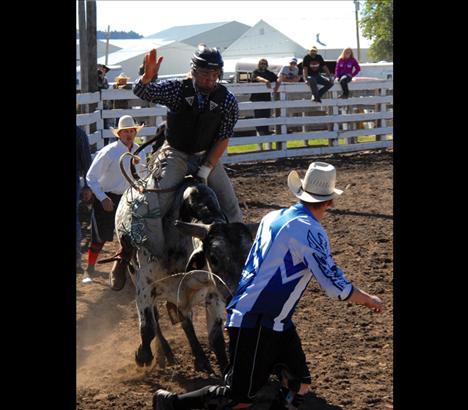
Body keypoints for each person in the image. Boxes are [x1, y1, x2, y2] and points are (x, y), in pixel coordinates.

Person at [152, 161, 384, 410]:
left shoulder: (273, 217)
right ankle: (171, 403)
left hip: (271, 317)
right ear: (330, 201)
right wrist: (369, 299)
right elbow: (334, 286)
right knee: (238, 397)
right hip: (258, 319)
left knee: (299, 383)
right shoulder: (311, 232)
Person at [128, 45, 243, 260]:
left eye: (214, 74)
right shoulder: (177, 89)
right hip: (175, 153)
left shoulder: (227, 101)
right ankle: (155, 257)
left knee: (231, 206)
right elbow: (142, 92)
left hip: (206, 155)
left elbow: (223, 137)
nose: (210, 78)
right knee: (152, 207)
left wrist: (206, 169)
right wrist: (146, 79)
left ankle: (237, 256)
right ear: (194, 71)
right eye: (205, 73)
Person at [83, 115, 147, 284]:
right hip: (108, 197)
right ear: (119, 133)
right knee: (100, 236)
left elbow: (144, 175)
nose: (129, 134)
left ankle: (124, 270)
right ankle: (89, 269)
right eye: (125, 131)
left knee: (132, 235)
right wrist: (102, 198)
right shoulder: (109, 152)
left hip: (129, 198)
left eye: (132, 131)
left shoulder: (140, 151)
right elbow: (91, 176)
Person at [76, 126, 93, 274]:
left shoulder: (79, 133)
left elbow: (87, 162)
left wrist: (88, 185)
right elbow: (87, 161)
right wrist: (87, 186)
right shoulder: (79, 133)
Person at [249, 59, 278, 136]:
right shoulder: (255, 72)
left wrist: (277, 86)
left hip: (266, 97)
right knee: (258, 115)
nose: (263, 65)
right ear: (259, 64)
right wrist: (266, 81)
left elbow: (277, 78)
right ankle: (260, 132)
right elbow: (257, 78)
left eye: (264, 64)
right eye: (261, 63)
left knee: (266, 115)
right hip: (256, 98)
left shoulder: (269, 73)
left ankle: (266, 131)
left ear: (267, 65)